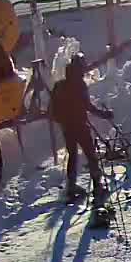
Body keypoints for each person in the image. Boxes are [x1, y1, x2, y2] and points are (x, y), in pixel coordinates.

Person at [49, 55, 113, 201]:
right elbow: (88, 106)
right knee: (91, 154)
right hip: (79, 125)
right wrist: (104, 114)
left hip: (66, 127)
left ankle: (71, 186)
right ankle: (98, 186)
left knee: (72, 155)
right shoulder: (79, 84)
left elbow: (53, 109)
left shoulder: (59, 85)